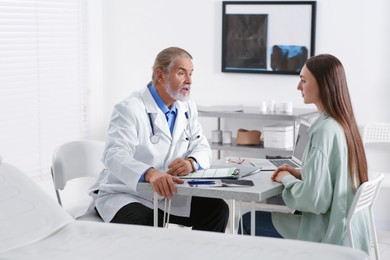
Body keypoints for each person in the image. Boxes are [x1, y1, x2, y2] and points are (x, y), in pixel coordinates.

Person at [240, 54, 372, 253]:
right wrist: (301, 173)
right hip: (350, 230)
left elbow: (315, 200)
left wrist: (287, 179)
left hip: (326, 231)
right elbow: (335, 176)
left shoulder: (324, 130)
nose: (298, 87)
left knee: (246, 221)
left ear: (323, 84)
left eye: (303, 80)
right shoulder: (345, 124)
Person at [89, 47, 229, 232]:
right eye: (181, 73)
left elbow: (200, 144)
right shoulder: (130, 108)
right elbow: (114, 154)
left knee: (217, 209)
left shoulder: (186, 106)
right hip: (127, 194)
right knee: (148, 222)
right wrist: (150, 173)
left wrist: (191, 162)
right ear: (160, 75)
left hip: (168, 194)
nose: (189, 81)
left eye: (190, 73)